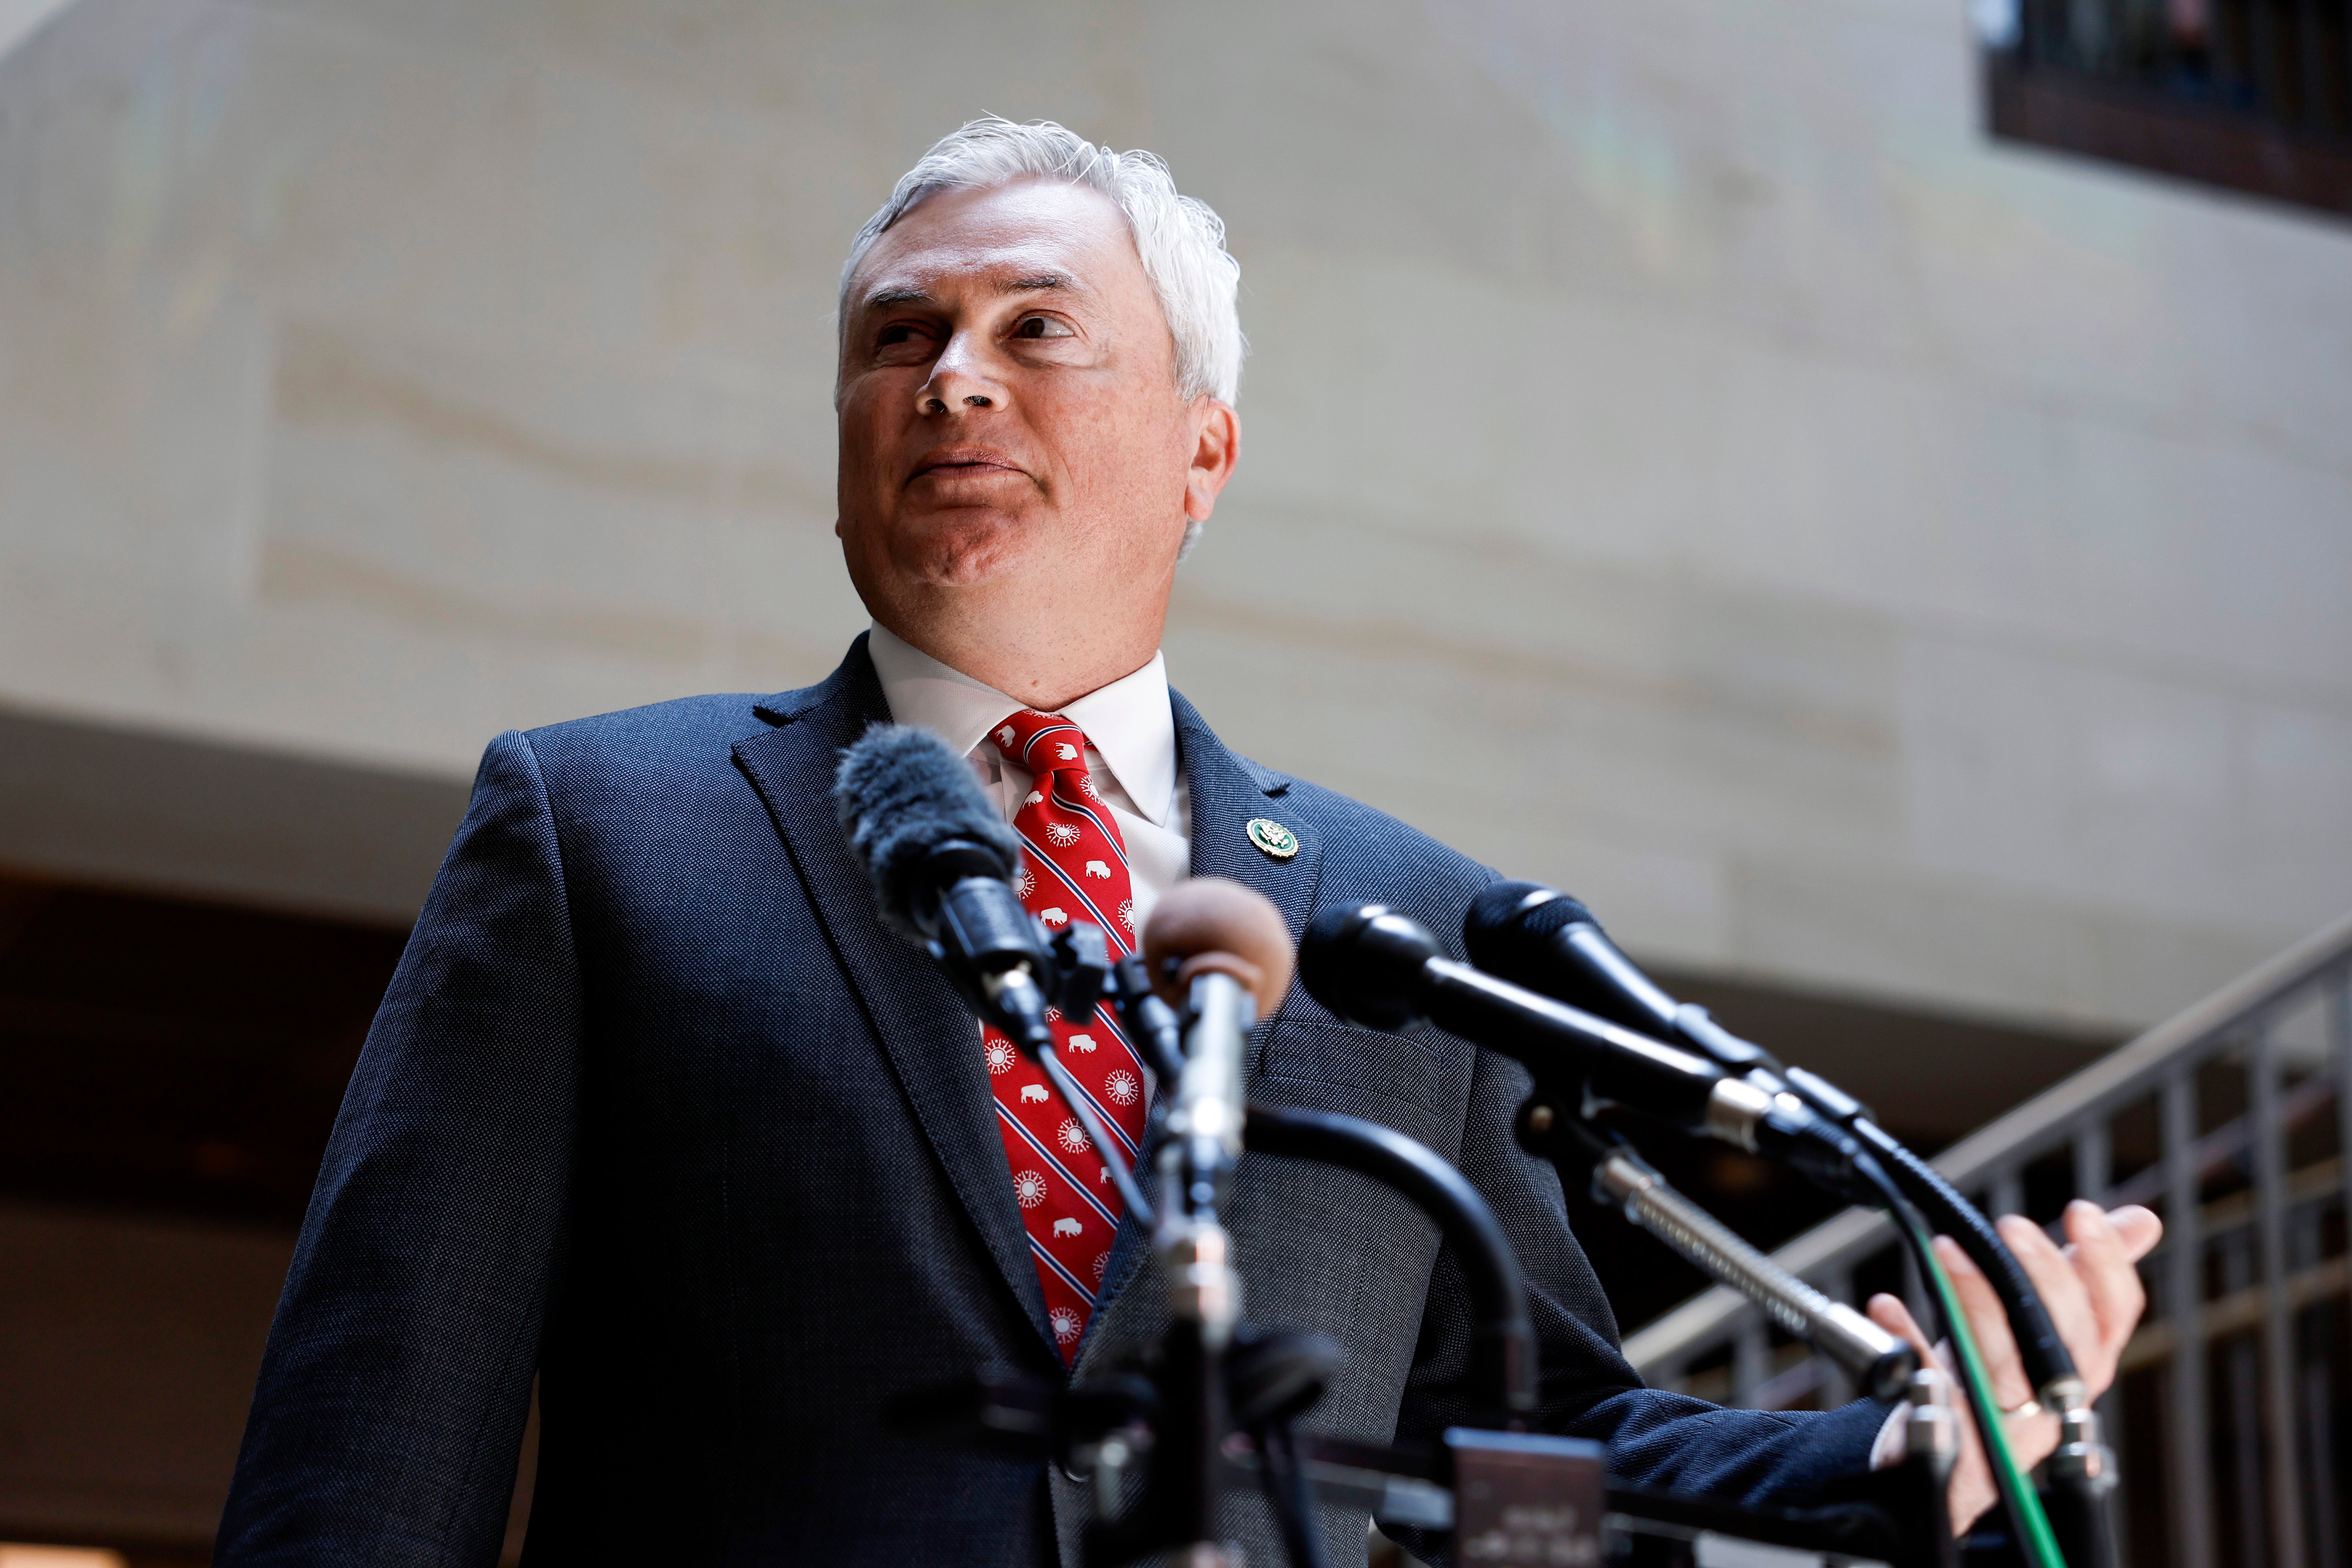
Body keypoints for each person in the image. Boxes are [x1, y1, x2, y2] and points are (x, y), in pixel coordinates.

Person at [216, 117, 2158, 1568]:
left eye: (1033, 328)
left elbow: (1551, 1439)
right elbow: (377, 1431)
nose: (951, 376)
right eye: (900, 339)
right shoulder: (599, 832)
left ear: (1202, 452)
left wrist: (1915, 1443)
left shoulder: (1416, 927)